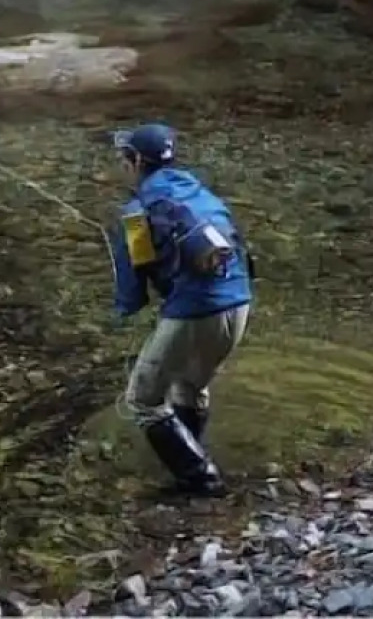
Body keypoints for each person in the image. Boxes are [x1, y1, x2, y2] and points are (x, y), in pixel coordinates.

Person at [107, 122, 253, 498]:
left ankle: (201, 479)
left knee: (142, 399)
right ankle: (193, 460)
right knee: (190, 386)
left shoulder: (137, 212)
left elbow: (131, 288)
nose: (123, 164)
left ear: (136, 161)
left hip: (195, 312)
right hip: (240, 302)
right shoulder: (200, 192)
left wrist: (124, 312)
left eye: (125, 157)